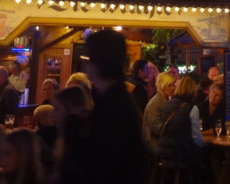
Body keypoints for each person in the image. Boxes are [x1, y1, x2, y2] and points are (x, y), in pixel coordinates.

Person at [82, 29, 148, 184]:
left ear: (99, 62)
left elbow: (103, 164)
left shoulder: (115, 107)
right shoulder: (106, 98)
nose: (85, 65)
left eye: (88, 58)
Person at [157, 76, 205, 180]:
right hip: (181, 154)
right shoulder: (192, 108)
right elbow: (196, 138)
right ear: (193, 90)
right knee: (204, 157)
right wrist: (204, 143)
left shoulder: (166, 105)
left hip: (164, 153)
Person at [50, 85, 92, 182]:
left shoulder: (76, 138)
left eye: (56, 109)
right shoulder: (76, 132)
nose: (51, 114)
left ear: (71, 110)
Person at [143, 71, 177, 156]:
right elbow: (156, 129)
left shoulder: (165, 100)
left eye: (173, 85)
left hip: (162, 141)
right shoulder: (155, 103)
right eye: (169, 85)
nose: (172, 88)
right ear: (162, 86)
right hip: (154, 143)